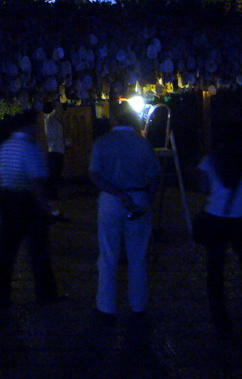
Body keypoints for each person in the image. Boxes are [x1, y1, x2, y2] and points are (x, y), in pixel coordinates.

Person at [88, 100, 161, 319]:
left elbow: (95, 174)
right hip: (139, 195)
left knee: (108, 253)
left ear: (115, 119)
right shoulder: (143, 143)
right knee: (137, 254)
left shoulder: (103, 142)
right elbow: (155, 176)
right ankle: (138, 304)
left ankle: (106, 305)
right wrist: (147, 199)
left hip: (111, 198)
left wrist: (118, 194)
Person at [0, 109, 63, 307]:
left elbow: (0, 176)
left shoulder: (5, 147)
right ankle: (46, 293)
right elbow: (35, 181)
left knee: (5, 251)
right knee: (39, 251)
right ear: (29, 126)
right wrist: (44, 205)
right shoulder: (30, 148)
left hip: (7, 200)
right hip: (27, 202)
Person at [195, 126, 242, 332]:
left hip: (215, 218)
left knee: (215, 271)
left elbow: (202, 188)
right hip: (240, 219)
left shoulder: (209, 161)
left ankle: (220, 316)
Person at [42, 101, 69, 221]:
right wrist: (60, 99)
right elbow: (58, 109)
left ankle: (53, 212)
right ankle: (53, 212)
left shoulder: (54, 122)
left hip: (57, 153)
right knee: (52, 183)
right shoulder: (49, 119)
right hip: (54, 154)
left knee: (54, 183)